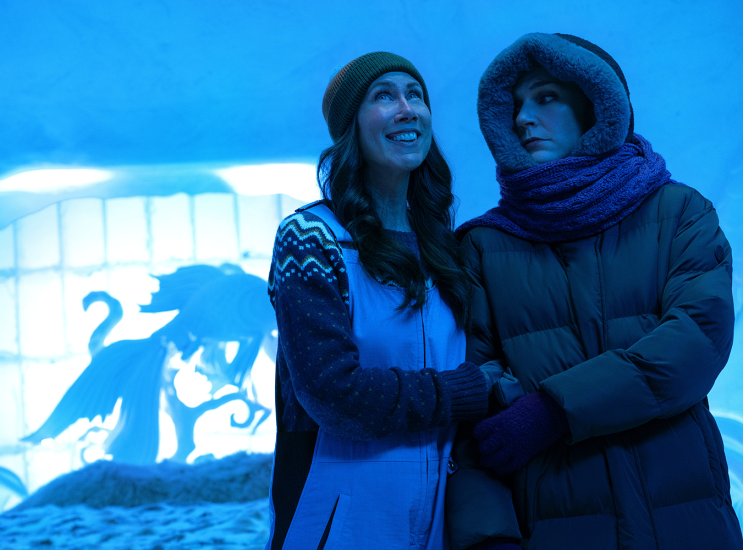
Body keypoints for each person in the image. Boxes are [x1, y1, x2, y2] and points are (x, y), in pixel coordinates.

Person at [456, 33, 743, 549]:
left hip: (686, 522)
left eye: (546, 97)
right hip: (557, 528)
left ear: (596, 105)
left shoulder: (677, 212)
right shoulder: (484, 245)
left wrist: (553, 410)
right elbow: (471, 409)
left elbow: (697, 338)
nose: (523, 118)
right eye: (516, 105)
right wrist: (489, 540)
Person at [265, 52, 521, 550]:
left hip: (439, 518)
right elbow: (334, 394)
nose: (408, 109)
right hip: (341, 522)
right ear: (351, 127)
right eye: (384, 96)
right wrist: (469, 390)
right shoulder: (310, 237)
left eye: (416, 95)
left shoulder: (445, 247)